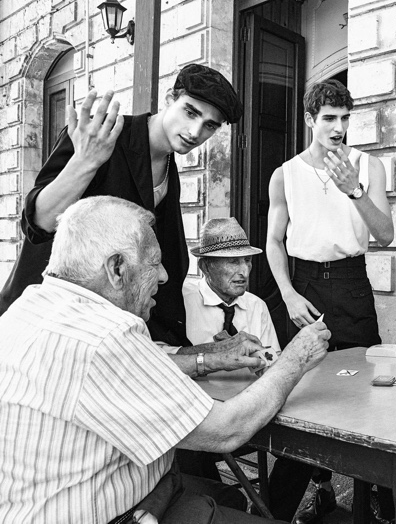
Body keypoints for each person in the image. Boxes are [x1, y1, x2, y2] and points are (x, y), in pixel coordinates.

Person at [0, 196, 330, 524]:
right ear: (117, 269)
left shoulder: (27, 307)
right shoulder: (107, 333)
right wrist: (297, 357)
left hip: (114, 496)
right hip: (116, 510)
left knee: (221, 492)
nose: (163, 277)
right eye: (153, 263)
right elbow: (225, 430)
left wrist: (214, 357)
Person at [0, 63, 243, 349]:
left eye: (210, 125)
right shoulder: (105, 135)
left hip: (104, 333)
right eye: (190, 112)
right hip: (46, 323)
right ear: (169, 99)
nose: (195, 131)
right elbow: (38, 223)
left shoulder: (168, 166)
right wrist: (85, 162)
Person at [265, 79, 394, 523]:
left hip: (351, 281)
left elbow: (386, 234)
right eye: (328, 119)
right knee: (302, 395)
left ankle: (376, 501)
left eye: (344, 119)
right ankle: (294, 501)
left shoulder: (369, 167)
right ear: (309, 120)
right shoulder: (285, 173)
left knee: (366, 391)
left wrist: (354, 189)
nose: (338, 128)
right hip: (304, 285)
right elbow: (274, 242)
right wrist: (286, 293)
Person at [178, 217, 281, 484]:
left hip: (250, 412)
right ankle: (222, 504)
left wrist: (266, 364)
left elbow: (275, 364)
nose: (244, 270)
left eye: (247, 261)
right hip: (202, 416)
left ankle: (273, 515)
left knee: (303, 454)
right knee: (186, 448)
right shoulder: (182, 303)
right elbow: (163, 357)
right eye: (233, 262)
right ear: (205, 267)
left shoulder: (257, 305)